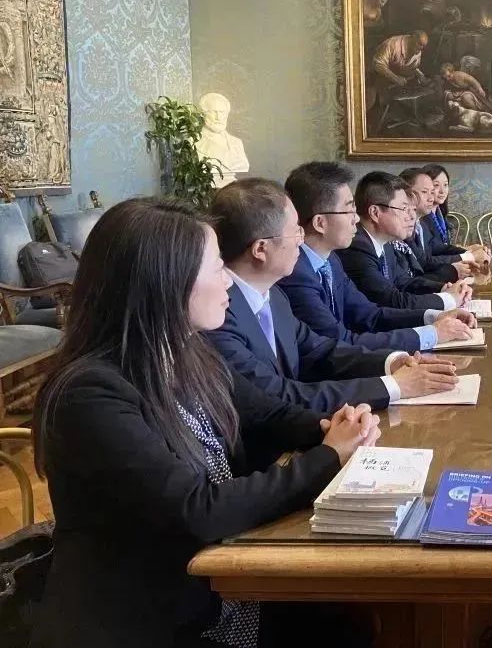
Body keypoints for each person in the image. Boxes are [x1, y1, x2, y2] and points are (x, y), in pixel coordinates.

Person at [31, 197, 382, 647]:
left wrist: (331, 426)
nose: (229, 282)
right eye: (217, 268)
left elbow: (265, 412)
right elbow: (196, 510)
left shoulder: (185, 350)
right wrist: (330, 455)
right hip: (153, 618)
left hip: (220, 584)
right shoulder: (89, 393)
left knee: (354, 620)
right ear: (166, 283)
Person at [205, 178, 459, 413]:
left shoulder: (274, 295)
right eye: (295, 231)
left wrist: (393, 361)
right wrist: (396, 386)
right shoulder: (218, 315)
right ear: (260, 249)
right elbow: (276, 395)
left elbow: (320, 350)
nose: (301, 240)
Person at [278, 161, 475, 352]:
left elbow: (370, 314)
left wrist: (435, 318)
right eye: (348, 210)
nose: (356, 218)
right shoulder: (296, 274)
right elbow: (340, 342)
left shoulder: (330, 261)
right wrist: (432, 333)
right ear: (320, 223)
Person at [339, 170, 473, 311]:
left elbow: (403, 283)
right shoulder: (357, 248)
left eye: (412, 209)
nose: (412, 216)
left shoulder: (384, 243)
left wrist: (444, 288)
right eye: (404, 208)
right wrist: (449, 299)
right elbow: (390, 300)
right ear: (375, 213)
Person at [400, 167, 490, 273]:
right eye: (424, 192)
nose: (431, 198)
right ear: (406, 194)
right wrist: (469, 256)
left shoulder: (420, 222)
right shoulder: (403, 225)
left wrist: (469, 251)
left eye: (432, 192)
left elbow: (436, 247)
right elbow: (424, 263)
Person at [195, 92, 250, 188]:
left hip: (231, 186)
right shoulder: (194, 141)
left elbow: (243, 165)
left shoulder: (236, 143)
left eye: (222, 112)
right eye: (214, 112)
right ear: (203, 114)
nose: (218, 117)